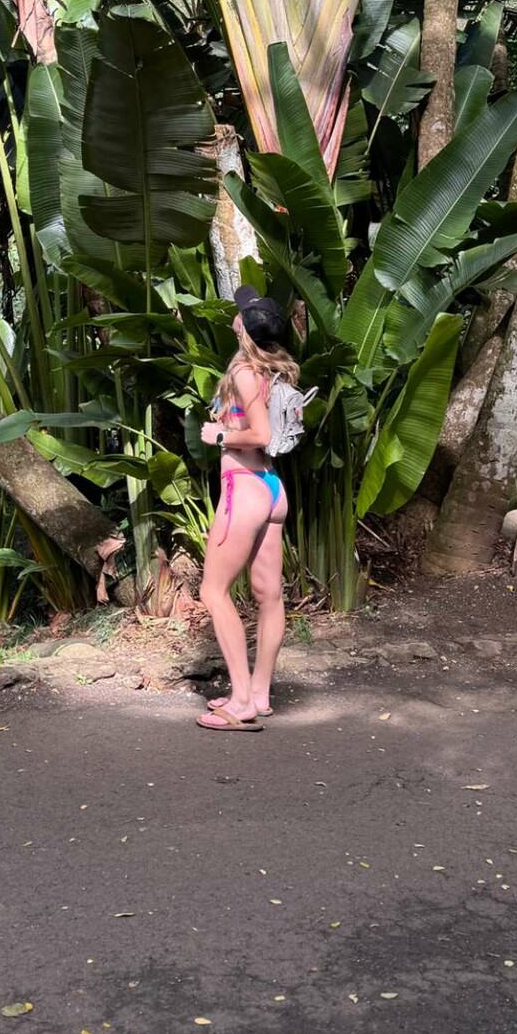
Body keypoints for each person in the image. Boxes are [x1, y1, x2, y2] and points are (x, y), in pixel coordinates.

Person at [195, 285, 300, 733]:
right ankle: (259, 693)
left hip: (245, 489)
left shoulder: (243, 370)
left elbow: (259, 435)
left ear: (244, 329)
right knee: (268, 594)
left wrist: (219, 436)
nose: (233, 317)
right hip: (272, 489)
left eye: (238, 315)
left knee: (213, 592)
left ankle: (240, 702)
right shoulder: (271, 369)